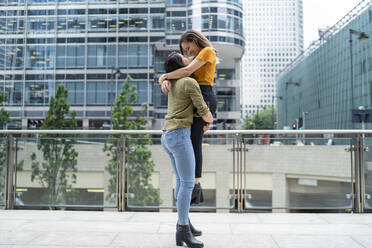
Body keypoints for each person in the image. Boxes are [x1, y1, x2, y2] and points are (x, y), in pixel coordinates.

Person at [158, 30, 217, 204]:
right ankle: (191, 186)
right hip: (198, 95)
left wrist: (165, 76)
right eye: (185, 50)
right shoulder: (196, 58)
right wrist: (164, 80)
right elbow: (181, 71)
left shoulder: (207, 51)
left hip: (204, 95)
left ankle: (194, 187)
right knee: (191, 141)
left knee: (195, 141)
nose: (188, 52)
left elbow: (186, 71)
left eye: (188, 47)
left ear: (194, 40)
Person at [161, 52, 213, 248]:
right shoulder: (188, 82)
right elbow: (202, 108)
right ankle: (183, 230)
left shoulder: (172, 83)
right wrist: (210, 119)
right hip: (180, 135)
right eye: (185, 59)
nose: (188, 60)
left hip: (167, 135)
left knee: (182, 182)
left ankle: (183, 223)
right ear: (180, 66)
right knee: (188, 183)